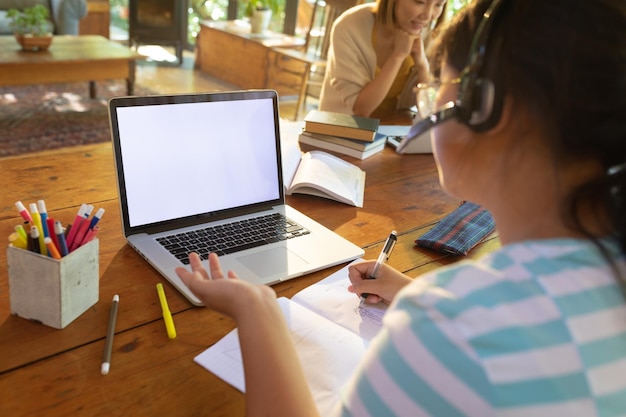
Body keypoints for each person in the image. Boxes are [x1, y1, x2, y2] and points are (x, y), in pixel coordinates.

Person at [175, 0, 626, 415]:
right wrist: (412, 294)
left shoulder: (450, 329)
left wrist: (260, 312)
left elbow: (471, 341)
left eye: (439, 95)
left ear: (486, 108)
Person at [318, 0, 446, 118]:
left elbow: (429, 111)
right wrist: (397, 56)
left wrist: (422, 65)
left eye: (438, 4)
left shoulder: (431, 35)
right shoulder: (350, 25)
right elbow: (361, 109)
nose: (428, 16)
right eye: (420, 2)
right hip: (339, 131)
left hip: (390, 130)